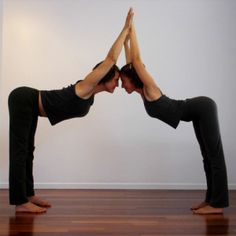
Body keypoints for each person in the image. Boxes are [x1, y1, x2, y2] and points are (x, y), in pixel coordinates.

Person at [8, 8, 134, 213]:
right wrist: (124, 29)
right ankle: (20, 202)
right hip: (24, 99)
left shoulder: (90, 95)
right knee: (20, 152)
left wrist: (130, 39)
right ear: (103, 76)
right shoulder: (86, 86)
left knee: (28, 151)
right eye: (116, 79)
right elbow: (110, 59)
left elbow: (126, 65)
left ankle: (28, 195)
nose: (118, 84)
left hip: (31, 107)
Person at [120, 10, 229, 215]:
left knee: (214, 156)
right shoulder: (141, 91)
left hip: (202, 107)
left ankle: (218, 204)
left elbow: (136, 62)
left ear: (132, 79)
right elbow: (131, 65)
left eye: (122, 81)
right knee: (207, 157)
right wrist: (125, 41)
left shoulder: (150, 89)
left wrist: (130, 27)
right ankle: (210, 200)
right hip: (196, 112)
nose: (121, 85)